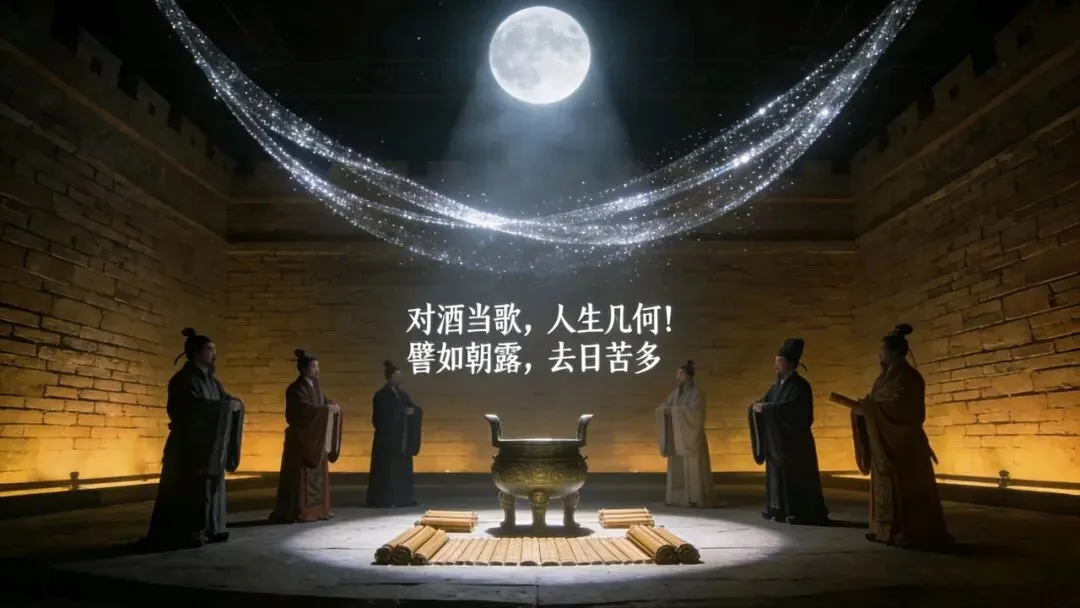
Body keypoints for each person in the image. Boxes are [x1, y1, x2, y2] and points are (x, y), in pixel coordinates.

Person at [852, 323, 954, 550]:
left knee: (905, 488)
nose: (880, 354)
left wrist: (870, 409)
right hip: (883, 443)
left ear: (897, 352)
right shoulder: (882, 379)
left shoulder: (909, 378)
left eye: (883, 349)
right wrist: (866, 409)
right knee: (886, 487)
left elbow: (904, 409)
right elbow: (876, 403)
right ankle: (883, 530)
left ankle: (908, 532)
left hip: (903, 444)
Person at [142, 328, 244, 550]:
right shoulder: (183, 380)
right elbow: (189, 408)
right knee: (189, 488)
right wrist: (224, 407)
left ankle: (211, 527)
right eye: (210, 349)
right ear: (197, 352)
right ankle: (187, 531)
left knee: (210, 487)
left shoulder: (213, 382)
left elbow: (225, 400)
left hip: (211, 446)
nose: (214, 354)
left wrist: (234, 404)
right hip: (188, 446)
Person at [748, 338, 829, 525]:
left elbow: (795, 411)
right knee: (777, 476)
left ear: (790, 363)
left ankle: (797, 511)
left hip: (795, 443)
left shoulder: (800, 386)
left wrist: (767, 408)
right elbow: (766, 402)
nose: (776, 365)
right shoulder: (776, 387)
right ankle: (777, 509)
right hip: (778, 442)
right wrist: (756, 406)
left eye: (779, 361)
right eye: (776, 361)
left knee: (795, 477)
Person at [270, 349, 343, 523]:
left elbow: (322, 403)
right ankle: (301, 510)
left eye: (318, 367)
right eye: (314, 367)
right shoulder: (295, 389)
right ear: (303, 369)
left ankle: (319, 509)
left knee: (317, 475)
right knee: (300, 478)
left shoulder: (316, 388)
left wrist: (331, 404)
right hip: (302, 439)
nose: (317, 370)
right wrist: (325, 409)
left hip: (315, 438)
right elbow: (303, 410)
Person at [654, 360, 715, 508]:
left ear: (688, 376)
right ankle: (677, 498)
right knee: (677, 469)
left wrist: (674, 412)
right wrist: (664, 411)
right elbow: (664, 407)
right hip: (677, 438)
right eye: (677, 374)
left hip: (692, 437)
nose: (678, 377)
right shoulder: (674, 394)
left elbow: (695, 413)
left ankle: (695, 498)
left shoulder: (697, 393)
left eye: (681, 374)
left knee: (693, 468)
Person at [366, 360, 423, 507]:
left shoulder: (403, 395)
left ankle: (403, 498)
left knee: (401, 471)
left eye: (400, 376)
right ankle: (385, 500)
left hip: (401, 441)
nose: (399, 378)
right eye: (397, 376)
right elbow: (380, 418)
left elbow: (415, 409)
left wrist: (413, 412)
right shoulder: (381, 396)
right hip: (387, 441)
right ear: (390, 377)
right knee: (387, 472)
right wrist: (403, 413)